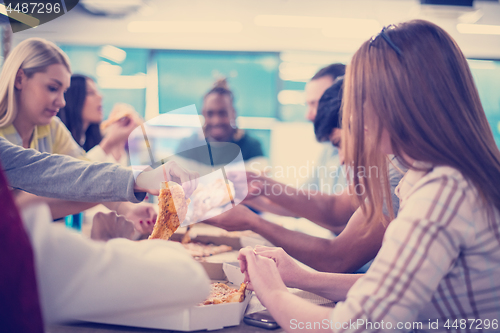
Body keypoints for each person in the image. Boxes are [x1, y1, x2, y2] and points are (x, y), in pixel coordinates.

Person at [238, 20, 500, 332]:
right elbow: (385, 293)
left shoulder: (443, 193)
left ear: (399, 102)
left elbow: (354, 328)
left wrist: (273, 292)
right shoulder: (428, 179)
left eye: (361, 102)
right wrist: (299, 277)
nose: (356, 121)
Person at [0, 137, 206, 331]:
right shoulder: (21, 256)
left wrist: (138, 181)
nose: (62, 102)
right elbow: (192, 279)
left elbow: (48, 169)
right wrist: (114, 244)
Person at [206, 78, 405, 273]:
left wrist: (253, 221)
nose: (342, 159)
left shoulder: (393, 172)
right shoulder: (379, 167)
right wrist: (260, 184)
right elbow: (334, 208)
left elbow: (337, 259)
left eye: (339, 143)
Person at [0, 37, 155, 234]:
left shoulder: (52, 127)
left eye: (64, 92)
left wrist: (126, 209)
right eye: (52, 88)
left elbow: (83, 171)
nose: (62, 102)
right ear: (20, 79)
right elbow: (69, 179)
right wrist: (130, 183)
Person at [176, 78, 265, 167]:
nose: (216, 121)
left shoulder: (252, 147)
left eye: (222, 113)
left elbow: (260, 177)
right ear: (203, 114)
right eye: (210, 114)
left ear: (234, 113)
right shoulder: (187, 146)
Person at [58, 75, 141, 165]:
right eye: (91, 93)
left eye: (97, 92)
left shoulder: (90, 138)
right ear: (73, 99)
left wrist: (118, 142)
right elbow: (76, 172)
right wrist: (109, 142)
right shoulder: (60, 138)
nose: (100, 96)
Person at [305, 64, 346, 195]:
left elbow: (335, 209)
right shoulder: (327, 149)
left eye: (315, 104)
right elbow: (306, 198)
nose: (308, 115)